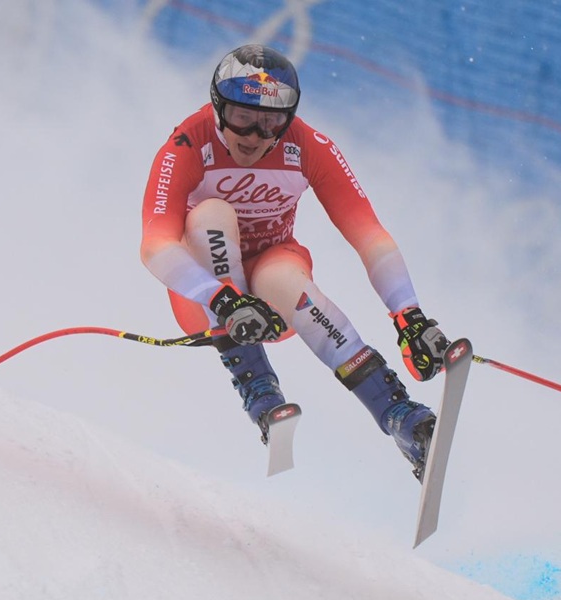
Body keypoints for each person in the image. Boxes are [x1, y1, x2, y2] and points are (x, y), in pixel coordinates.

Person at [140, 44, 449, 480]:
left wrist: (409, 314)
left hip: (272, 296)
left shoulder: (308, 146)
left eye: (271, 123)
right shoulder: (188, 144)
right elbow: (154, 245)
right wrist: (223, 298)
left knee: (285, 276)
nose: (255, 136)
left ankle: (398, 415)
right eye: (242, 118)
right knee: (211, 215)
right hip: (204, 298)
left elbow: (370, 236)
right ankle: (258, 389)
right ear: (217, 107)